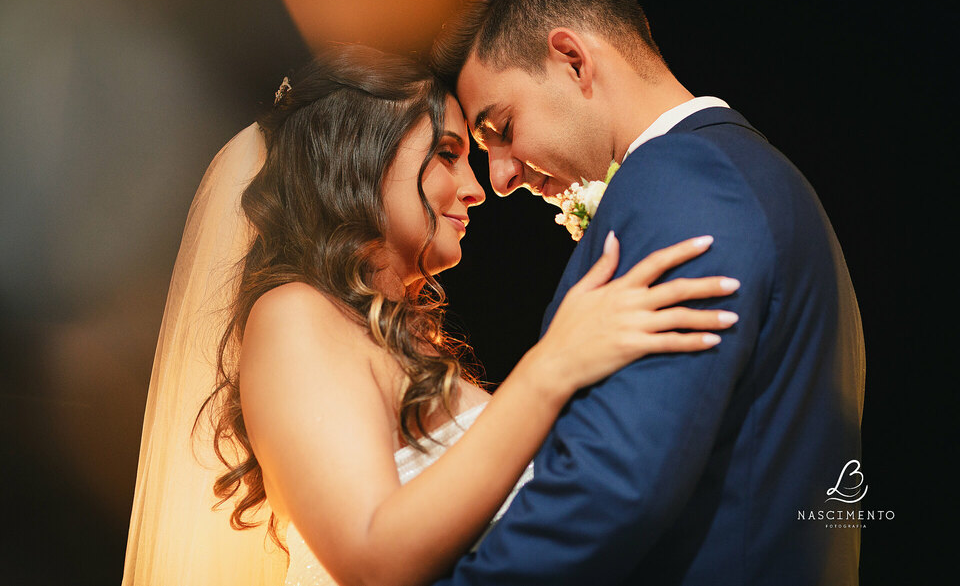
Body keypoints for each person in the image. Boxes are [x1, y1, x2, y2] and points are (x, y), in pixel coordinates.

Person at [121, 44, 741, 586]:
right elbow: (371, 561)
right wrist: (551, 368)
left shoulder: (389, 338)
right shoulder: (294, 316)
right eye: (447, 153)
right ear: (356, 157)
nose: (476, 189)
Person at [427, 0, 866, 586]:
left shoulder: (681, 182)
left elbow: (613, 484)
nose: (499, 178)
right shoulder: (750, 173)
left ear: (572, 59)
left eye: (500, 127)